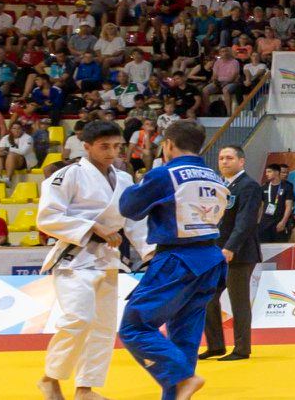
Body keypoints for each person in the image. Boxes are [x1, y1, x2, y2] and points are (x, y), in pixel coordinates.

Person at [117, 120, 229, 400]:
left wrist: (134, 183)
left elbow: (129, 208)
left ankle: (184, 378)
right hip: (210, 260)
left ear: (168, 144)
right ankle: (179, 390)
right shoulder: (215, 177)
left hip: (178, 259)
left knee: (134, 327)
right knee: (184, 338)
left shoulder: (165, 174)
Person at [36, 121, 142, 400]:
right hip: (74, 258)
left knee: (103, 327)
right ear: (86, 146)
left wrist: (151, 252)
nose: (112, 153)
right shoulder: (68, 175)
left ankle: (85, 389)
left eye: (117, 146)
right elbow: (47, 218)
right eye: (104, 146)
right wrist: (93, 227)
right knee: (78, 319)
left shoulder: (124, 179)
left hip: (108, 259)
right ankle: (50, 378)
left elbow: (133, 221)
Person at [200, 145, 263, 362]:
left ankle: (242, 348)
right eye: (221, 158)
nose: (224, 162)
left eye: (229, 158)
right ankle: (216, 345)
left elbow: (246, 221)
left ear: (241, 161)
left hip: (240, 252)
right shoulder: (219, 185)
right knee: (207, 298)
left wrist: (231, 247)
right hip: (216, 251)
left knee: (239, 301)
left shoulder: (249, 186)